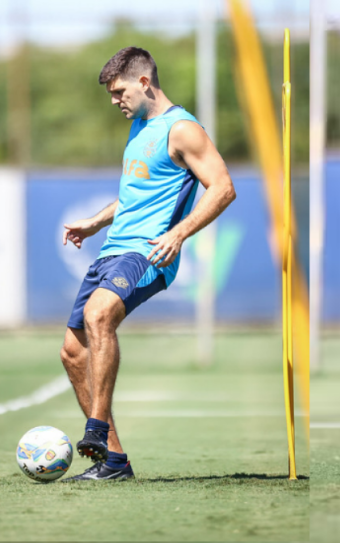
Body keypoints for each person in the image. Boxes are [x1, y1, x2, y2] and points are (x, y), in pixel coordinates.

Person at [59, 47, 236, 480]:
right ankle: (114, 462)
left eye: (119, 91)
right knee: (72, 352)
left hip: (148, 252)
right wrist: (94, 223)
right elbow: (134, 196)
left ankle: (96, 431)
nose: (114, 100)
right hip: (113, 250)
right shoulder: (139, 127)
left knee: (99, 316)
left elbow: (223, 187)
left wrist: (179, 233)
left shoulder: (182, 129)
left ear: (143, 82)